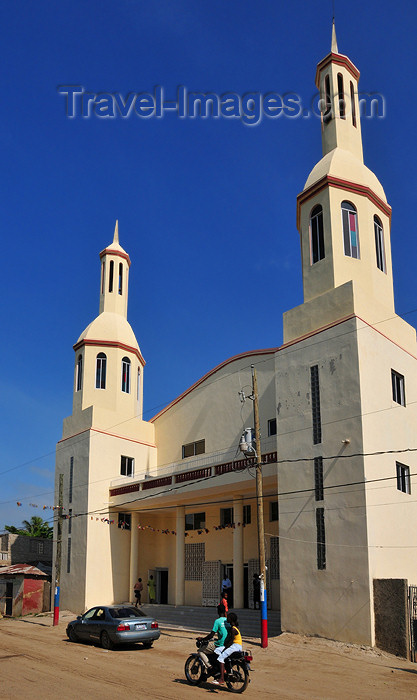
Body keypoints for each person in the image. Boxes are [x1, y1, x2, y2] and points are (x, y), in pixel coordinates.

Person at [212, 612, 243, 686]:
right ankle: (224, 669)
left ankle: (221, 679)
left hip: (235, 646)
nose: (226, 619)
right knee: (217, 650)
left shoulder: (233, 629)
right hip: (238, 646)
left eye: (228, 618)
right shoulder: (235, 627)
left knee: (220, 658)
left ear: (231, 619)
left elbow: (231, 642)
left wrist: (225, 648)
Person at [196, 604, 227, 670]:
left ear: (218, 612)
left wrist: (203, 639)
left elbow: (211, 635)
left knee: (200, 651)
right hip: (227, 644)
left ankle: (210, 666)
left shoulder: (217, 621)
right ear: (225, 611)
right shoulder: (227, 620)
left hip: (220, 644)